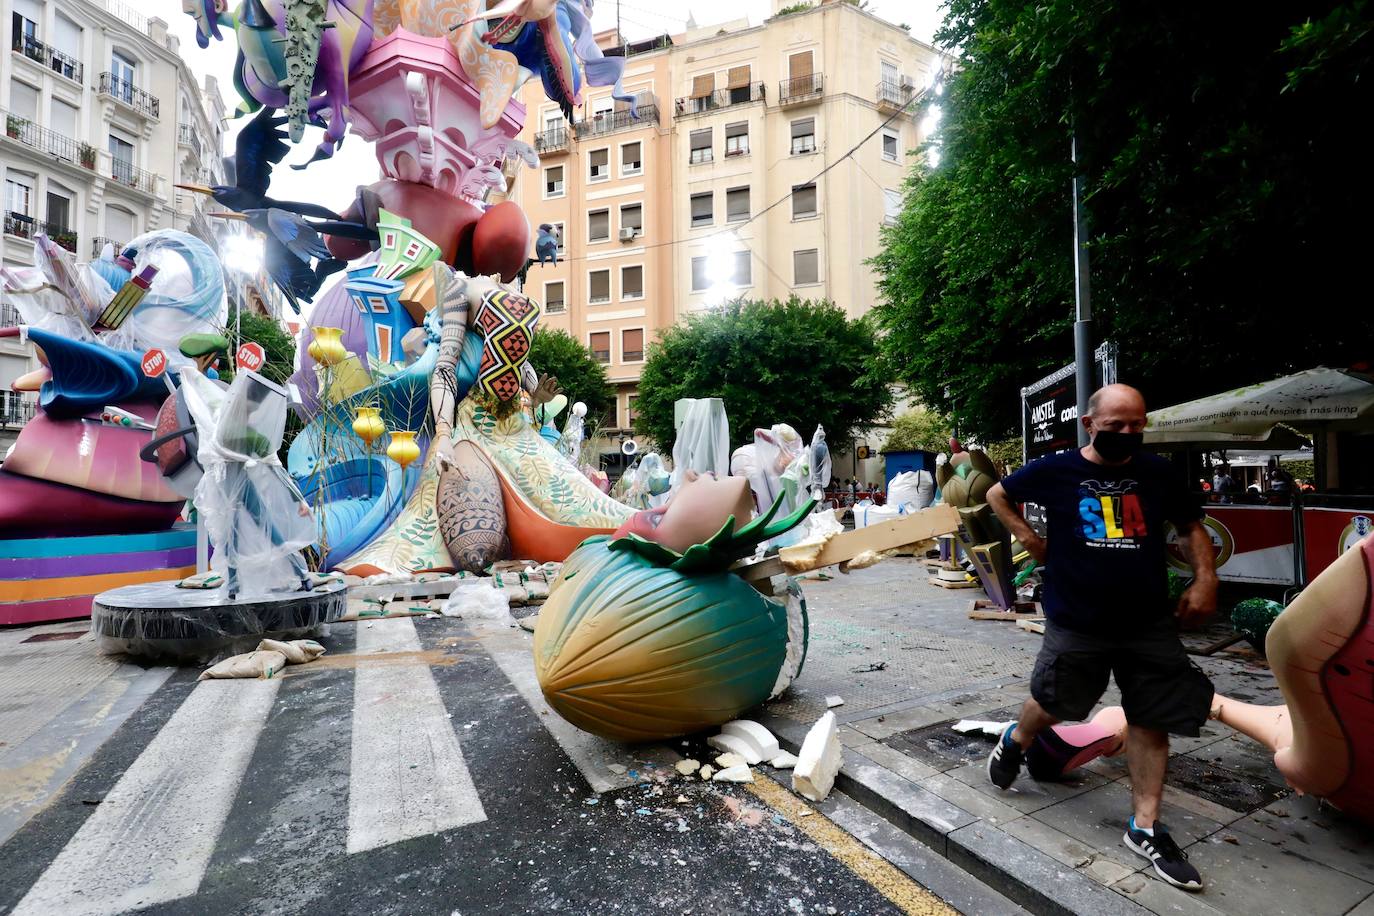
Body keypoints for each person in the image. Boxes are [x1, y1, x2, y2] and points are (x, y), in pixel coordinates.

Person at [984, 384, 1218, 892]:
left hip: (1148, 622)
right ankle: (1017, 737)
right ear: (1090, 425)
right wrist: (1026, 537)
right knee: (1055, 702)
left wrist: (1205, 578)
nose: (1127, 434)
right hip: (1076, 619)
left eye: (1136, 424)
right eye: (1115, 426)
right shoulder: (1055, 470)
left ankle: (1145, 826)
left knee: (1152, 718)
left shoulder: (1157, 473)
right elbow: (996, 493)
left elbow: (1189, 527)